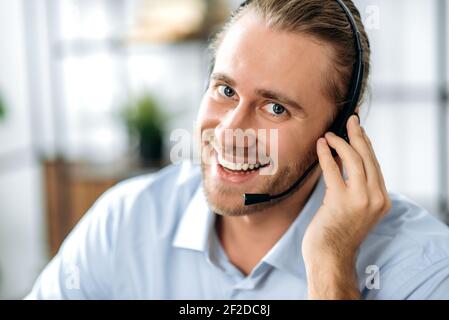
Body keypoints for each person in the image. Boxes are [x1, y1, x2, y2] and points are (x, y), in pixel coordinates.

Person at [27, 0, 449, 299]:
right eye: (226, 90)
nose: (231, 131)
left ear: (341, 129)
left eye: (275, 107)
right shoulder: (126, 221)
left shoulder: (423, 265)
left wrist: (331, 269)